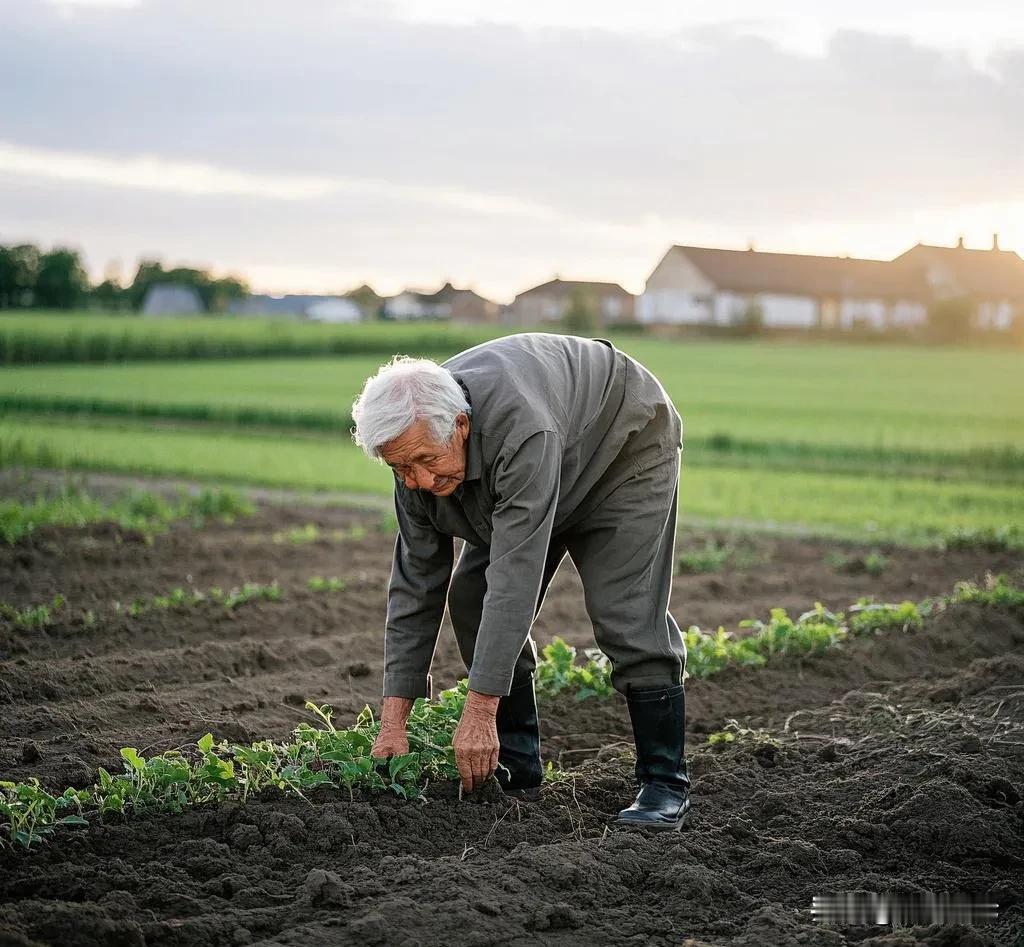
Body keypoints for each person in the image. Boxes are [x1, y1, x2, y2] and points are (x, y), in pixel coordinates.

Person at [351, 331, 690, 830]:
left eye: (425, 461)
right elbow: (416, 583)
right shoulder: (414, 440)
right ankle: (519, 764)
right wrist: (393, 720)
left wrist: (479, 710)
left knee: (625, 614)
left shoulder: (519, 433)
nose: (418, 481)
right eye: (399, 467)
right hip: (544, 448)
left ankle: (665, 784)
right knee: (472, 596)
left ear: (461, 426)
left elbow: (515, 576)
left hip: (622, 447)